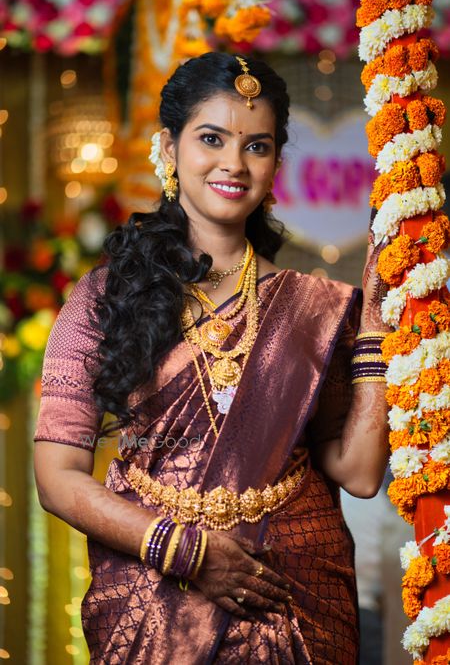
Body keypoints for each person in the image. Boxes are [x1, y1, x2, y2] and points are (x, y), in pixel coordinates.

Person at [33, 52, 390, 664]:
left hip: (294, 596)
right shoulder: (105, 297)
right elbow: (56, 476)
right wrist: (185, 552)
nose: (234, 163)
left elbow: (356, 473)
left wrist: (377, 328)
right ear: (168, 148)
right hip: (155, 599)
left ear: (276, 163)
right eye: (211, 138)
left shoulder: (315, 306)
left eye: (257, 146)